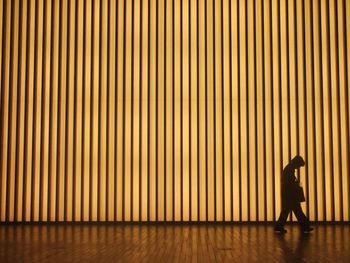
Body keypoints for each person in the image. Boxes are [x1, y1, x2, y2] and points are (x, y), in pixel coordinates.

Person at [274, 155, 313, 233]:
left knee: (287, 211)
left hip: (288, 195)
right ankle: (304, 226)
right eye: (299, 165)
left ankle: (279, 226)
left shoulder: (288, 169)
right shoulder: (289, 170)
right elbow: (290, 183)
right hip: (290, 195)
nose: (298, 167)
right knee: (297, 211)